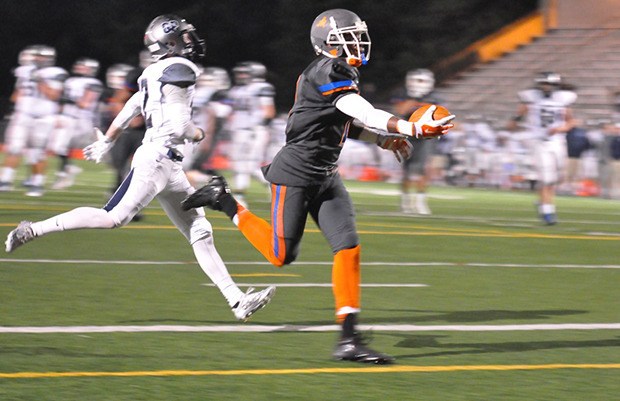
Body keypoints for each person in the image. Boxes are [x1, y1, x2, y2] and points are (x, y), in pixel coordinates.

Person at [182, 9, 453, 363]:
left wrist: (381, 141)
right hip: (295, 172)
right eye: (350, 36)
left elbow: (341, 121)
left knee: (348, 248)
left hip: (325, 174)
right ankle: (224, 200)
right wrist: (408, 128)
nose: (358, 42)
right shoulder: (328, 70)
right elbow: (361, 110)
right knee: (281, 256)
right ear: (329, 41)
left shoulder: (338, 71)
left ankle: (349, 339)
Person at [5, 14, 275, 322]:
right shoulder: (181, 68)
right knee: (112, 218)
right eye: (185, 37)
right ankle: (32, 230)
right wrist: (198, 134)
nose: (192, 41)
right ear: (170, 42)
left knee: (200, 230)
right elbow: (178, 125)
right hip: (158, 158)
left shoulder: (153, 71)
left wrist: (109, 139)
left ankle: (237, 300)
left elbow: (135, 103)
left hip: (169, 165)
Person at [509, 71, 577, 225]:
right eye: (543, 84)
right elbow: (518, 116)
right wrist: (515, 120)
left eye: (549, 84)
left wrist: (560, 129)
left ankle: (542, 201)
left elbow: (571, 121)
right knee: (546, 178)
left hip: (558, 141)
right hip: (538, 141)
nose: (546, 88)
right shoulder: (530, 98)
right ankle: (547, 211)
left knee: (557, 177)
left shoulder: (563, 99)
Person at [0, 45, 68, 196]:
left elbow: (54, 95)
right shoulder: (24, 71)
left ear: (50, 59)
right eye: (36, 56)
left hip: (43, 118)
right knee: (14, 147)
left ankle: (37, 183)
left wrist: (39, 80)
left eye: (42, 57)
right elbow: (17, 93)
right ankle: (5, 180)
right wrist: (13, 108)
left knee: (37, 152)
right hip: (23, 114)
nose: (38, 59)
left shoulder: (56, 73)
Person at [391, 68, 442, 214]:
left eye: (422, 81)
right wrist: (415, 102)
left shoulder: (435, 96)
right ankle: (406, 201)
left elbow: (439, 114)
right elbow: (401, 110)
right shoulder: (402, 94)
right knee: (407, 170)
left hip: (426, 136)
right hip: (408, 134)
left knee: (425, 168)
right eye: (417, 80)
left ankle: (420, 201)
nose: (419, 84)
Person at [225, 61, 276, 206]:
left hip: (254, 131)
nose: (240, 76)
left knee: (249, 165)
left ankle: (241, 195)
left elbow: (268, 111)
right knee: (241, 165)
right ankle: (273, 189)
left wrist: (257, 128)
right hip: (239, 131)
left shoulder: (262, 88)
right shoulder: (236, 90)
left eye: (244, 73)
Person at [48, 57, 104, 190]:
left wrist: (67, 99)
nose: (79, 67)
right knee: (56, 147)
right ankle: (68, 169)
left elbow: (85, 104)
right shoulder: (71, 81)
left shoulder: (93, 82)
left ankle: (64, 173)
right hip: (68, 118)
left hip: (82, 120)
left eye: (83, 66)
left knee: (62, 147)